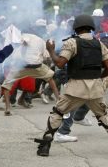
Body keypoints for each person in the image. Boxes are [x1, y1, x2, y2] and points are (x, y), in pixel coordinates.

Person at [35, 14, 108, 157]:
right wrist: (98, 77)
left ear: (76, 28)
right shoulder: (99, 44)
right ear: (91, 27)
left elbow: (60, 63)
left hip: (75, 89)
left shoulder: (71, 43)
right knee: (103, 116)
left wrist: (50, 50)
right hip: (95, 89)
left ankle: (45, 145)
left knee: (58, 113)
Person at [1, 33, 60, 116]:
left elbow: (21, 42)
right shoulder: (41, 40)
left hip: (21, 66)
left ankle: (8, 108)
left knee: (7, 85)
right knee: (50, 79)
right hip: (36, 66)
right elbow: (46, 57)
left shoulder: (25, 36)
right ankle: (59, 102)